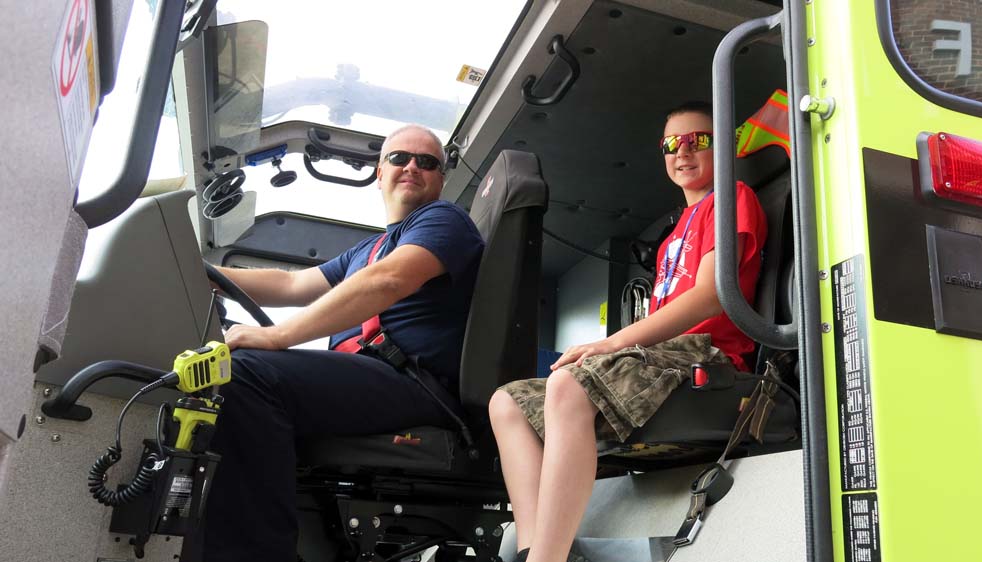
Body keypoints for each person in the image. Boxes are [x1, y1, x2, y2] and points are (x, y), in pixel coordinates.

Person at [488, 101, 767, 562]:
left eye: (699, 140)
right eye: (672, 145)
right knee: (507, 402)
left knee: (567, 385)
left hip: (707, 354)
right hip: (660, 357)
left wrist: (613, 342)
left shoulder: (732, 197)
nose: (683, 152)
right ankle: (534, 546)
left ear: (724, 147)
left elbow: (713, 294)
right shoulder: (673, 234)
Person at [202, 124, 485, 562]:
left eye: (427, 162)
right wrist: (204, 274)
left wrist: (277, 337)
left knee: (246, 374)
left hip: (414, 384)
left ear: (440, 180)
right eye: (400, 158)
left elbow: (388, 281)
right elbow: (291, 283)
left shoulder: (444, 221)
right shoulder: (367, 249)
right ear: (380, 171)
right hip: (372, 378)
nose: (412, 166)